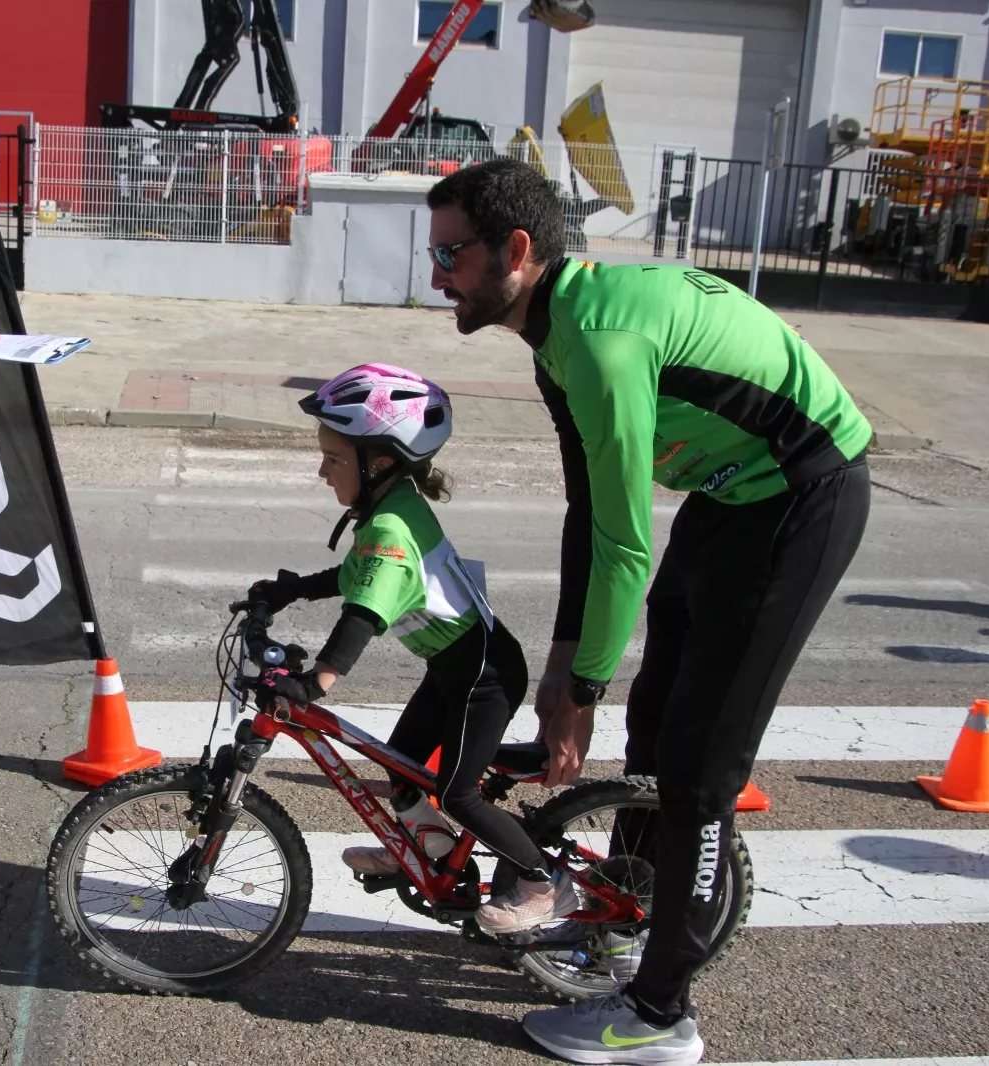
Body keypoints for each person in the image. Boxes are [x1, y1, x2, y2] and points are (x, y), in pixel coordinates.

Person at [422, 158, 873, 1065]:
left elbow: (626, 541)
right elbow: (587, 510)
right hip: (733, 496)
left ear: (516, 250)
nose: (437, 275)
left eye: (452, 254)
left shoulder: (598, 342)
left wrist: (582, 684)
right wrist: (562, 665)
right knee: (657, 735)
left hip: (802, 500)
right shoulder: (557, 333)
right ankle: (622, 922)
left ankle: (660, 1017)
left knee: (703, 774)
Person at [250, 363, 581, 936]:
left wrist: (319, 680)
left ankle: (543, 883)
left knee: (457, 793)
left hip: (485, 679)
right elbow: (359, 575)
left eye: (332, 458)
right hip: (454, 670)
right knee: (401, 770)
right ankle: (424, 849)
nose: (321, 470)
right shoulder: (389, 507)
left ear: (376, 462)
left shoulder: (390, 530)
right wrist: (293, 589)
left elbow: (365, 611)